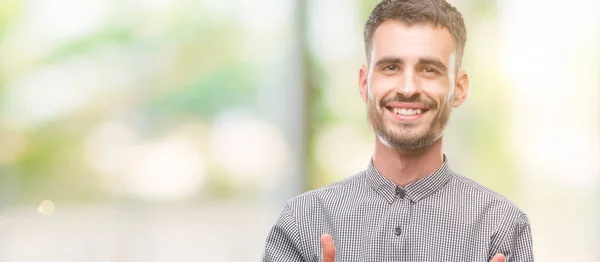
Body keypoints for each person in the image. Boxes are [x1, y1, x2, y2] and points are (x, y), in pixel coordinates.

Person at [262, 0, 534, 261]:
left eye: (429, 69)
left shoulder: (502, 227)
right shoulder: (302, 221)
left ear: (459, 88)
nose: (407, 88)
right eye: (391, 67)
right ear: (364, 83)